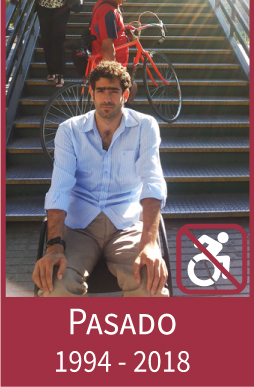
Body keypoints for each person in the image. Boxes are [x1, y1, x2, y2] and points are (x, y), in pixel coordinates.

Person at [33, 61, 169, 297]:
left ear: (125, 94)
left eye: (114, 91)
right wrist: (54, 245)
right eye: (101, 91)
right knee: (55, 287)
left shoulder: (145, 126)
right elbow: (60, 187)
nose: (107, 98)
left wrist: (149, 243)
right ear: (91, 93)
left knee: (151, 287)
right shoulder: (69, 130)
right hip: (79, 226)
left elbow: (153, 182)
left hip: (126, 223)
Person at [90, 0, 138, 68]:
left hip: (112, 70)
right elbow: (107, 48)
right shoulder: (108, 11)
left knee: (133, 85)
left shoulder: (107, 5)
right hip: (108, 73)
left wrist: (123, 31)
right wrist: (113, 78)